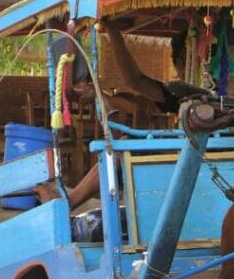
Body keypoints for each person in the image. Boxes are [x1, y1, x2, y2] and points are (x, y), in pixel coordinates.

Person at [35, 19, 199, 210]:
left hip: (193, 163)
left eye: (176, 61)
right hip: (185, 158)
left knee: (121, 150)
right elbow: (135, 81)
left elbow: (135, 81)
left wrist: (113, 30)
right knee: (122, 145)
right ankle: (72, 202)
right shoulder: (184, 93)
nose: (177, 66)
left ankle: (69, 203)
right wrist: (112, 30)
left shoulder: (197, 93)